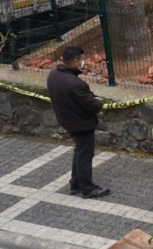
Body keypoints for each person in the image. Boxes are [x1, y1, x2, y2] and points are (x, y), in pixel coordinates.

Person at [47, 47, 109, 198]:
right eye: (81, 59)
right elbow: (92, 105)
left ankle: (75, 184)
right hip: (81, 124)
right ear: (75, 61)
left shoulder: (53, 75)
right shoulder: (76, 84)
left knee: (80, 152)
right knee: (85, 155)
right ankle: (87, 189)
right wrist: (98, 102)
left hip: (67, 120)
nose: (83, 62)